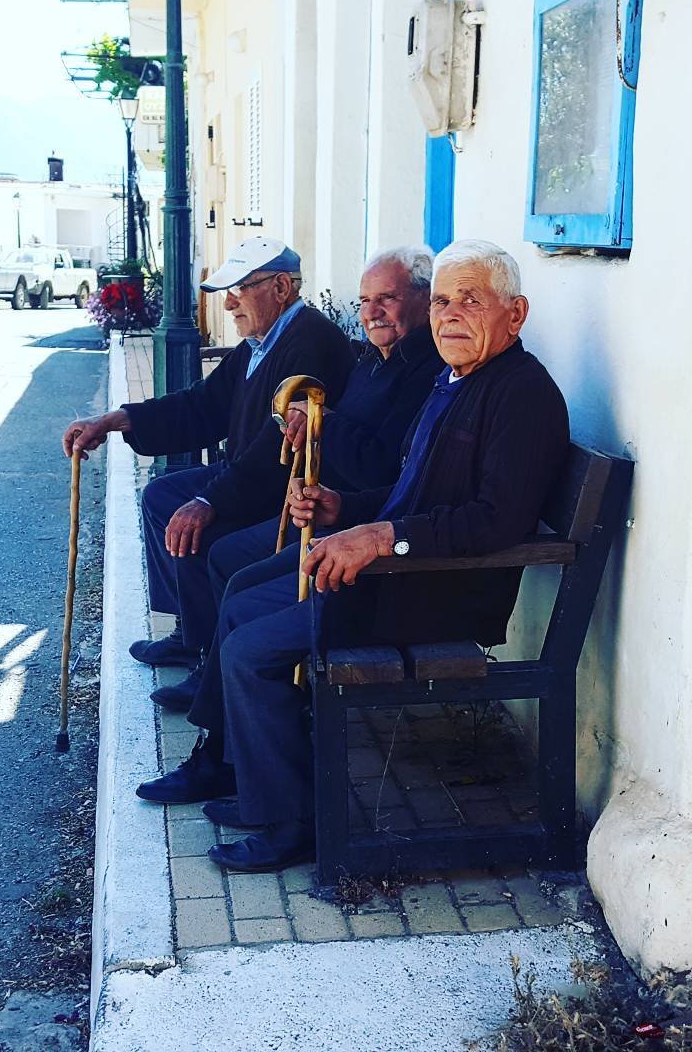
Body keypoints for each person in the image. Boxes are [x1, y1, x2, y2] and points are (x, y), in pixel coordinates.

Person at [138, 240, 570, 874]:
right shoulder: (456, 381)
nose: (450, 315)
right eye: (445, 301)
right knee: (243, 591)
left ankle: (293, 823)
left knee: (251, 649)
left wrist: (381, 537)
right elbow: (408, 492)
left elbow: (495, 520)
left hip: (430, 595)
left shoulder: (521, 394)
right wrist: (345, 508)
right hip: (396, 572)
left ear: (516, 313)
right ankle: (234, 765)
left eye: (470, 302)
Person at [146, 245, 445, 711]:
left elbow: (381, 467)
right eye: (364, 302)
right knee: (187, 519)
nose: (371, 313)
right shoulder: (376, 359)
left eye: (386, 298)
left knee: (226, 563)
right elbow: (210, 406)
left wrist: (319, 425)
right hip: (330, 509)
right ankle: (209, 672)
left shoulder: (426, 372)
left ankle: (223, 716)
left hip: (363, 538)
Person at [63, 236, 355, 674]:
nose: (229, 304)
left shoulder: (307, 340)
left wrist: (208, 501)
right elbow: (204, 405)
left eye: (240, 289)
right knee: (161, 497)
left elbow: (277, 448)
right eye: (227, 292)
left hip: (287, 493)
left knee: (195, 519)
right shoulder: (262, 341)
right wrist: (117, 419)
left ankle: (208, 660)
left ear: (280, 287)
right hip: (252, 478)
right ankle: (190, 633)